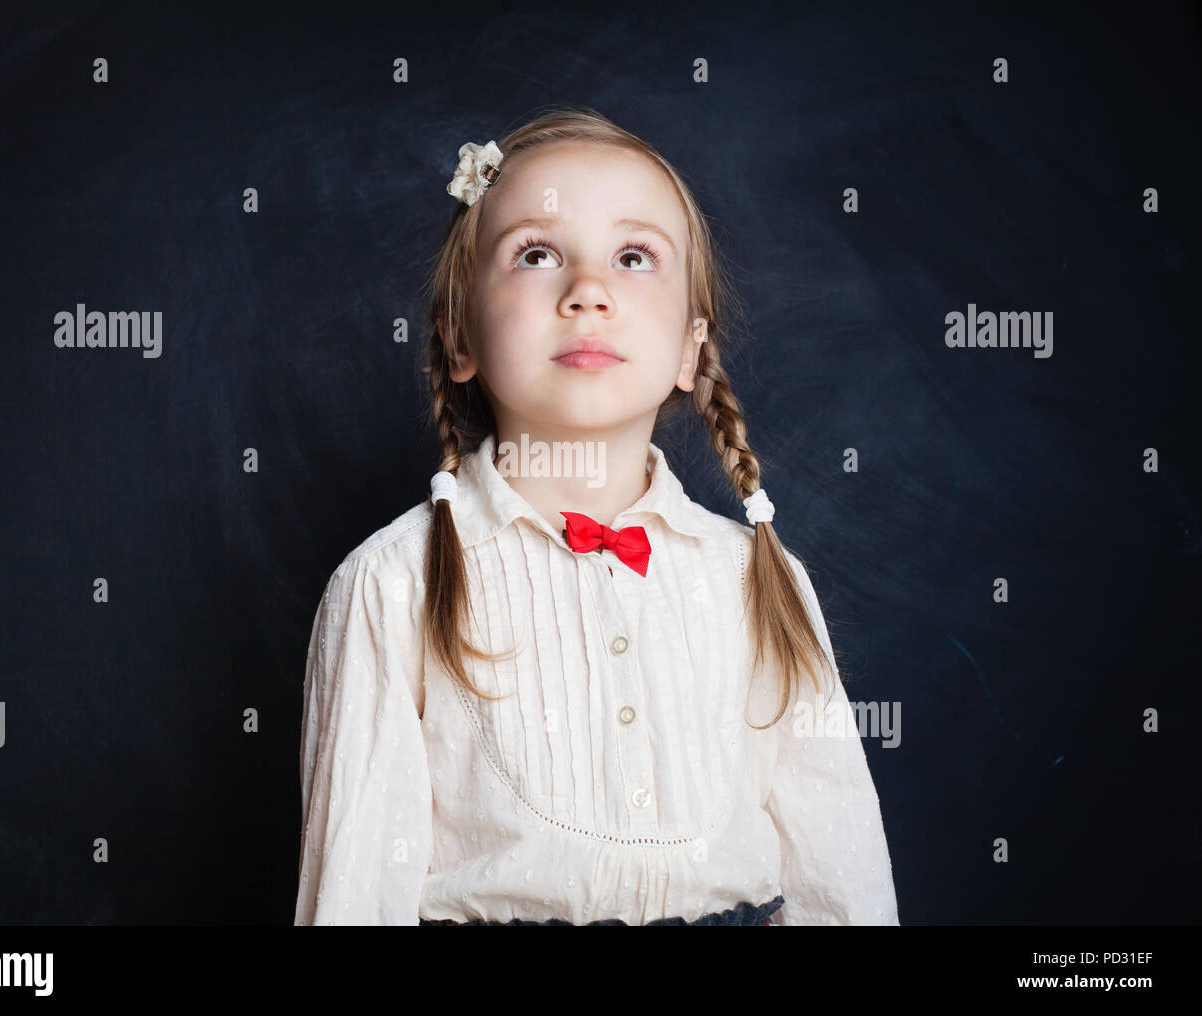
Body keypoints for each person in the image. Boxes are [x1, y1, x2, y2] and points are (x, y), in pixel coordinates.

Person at [294, 107, 899, 926]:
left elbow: (843, 879)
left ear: (691, 351)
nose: (588, 291)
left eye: (634, 257)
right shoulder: (389, 587)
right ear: (460, 337)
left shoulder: (760, 581)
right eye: (537, 254)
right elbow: (356, 899)